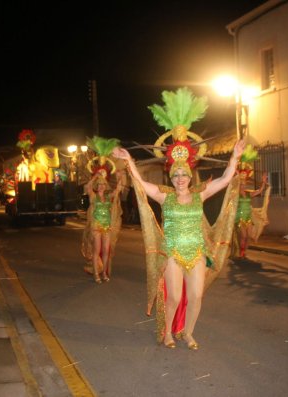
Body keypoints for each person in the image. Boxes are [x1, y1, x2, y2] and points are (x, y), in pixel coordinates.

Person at [112, 87, 244, 350]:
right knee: (173, 297)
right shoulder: (164, 197)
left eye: (184, 175)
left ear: (190, 176)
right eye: (176, 175)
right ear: (170, 177)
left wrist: (234, 158)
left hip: (196, 252)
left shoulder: (200, 194)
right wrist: (129, 161)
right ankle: (169, 332)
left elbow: (225, 179)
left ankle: (188, 333)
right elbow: (139, 182)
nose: (180, 178)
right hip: (173, 253)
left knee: (196, 296)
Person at [81, 136, 123, 283]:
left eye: (103, 184)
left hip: (107, 226)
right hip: (96, 226)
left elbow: (118, 190)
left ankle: (104, 273)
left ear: (106, 186)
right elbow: (87, 187)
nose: (101, 186)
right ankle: (96, 275)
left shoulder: (108, 196)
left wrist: (119, 177)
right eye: (99, 185)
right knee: (96, 251)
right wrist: (95, 177)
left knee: (106, 251)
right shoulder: (93, 197)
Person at [235, 171, 268, 258]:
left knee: (248, 236)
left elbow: (260, 191)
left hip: (248, 217)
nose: (243, 186)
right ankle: (241, 252)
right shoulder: (236, 195)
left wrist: (263, 182)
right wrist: (236, 175)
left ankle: (244, 251)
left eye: (244, 184)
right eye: (241, 184)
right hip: (240, 217)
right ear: (239, 185)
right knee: (244, 235)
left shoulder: (249, 193)